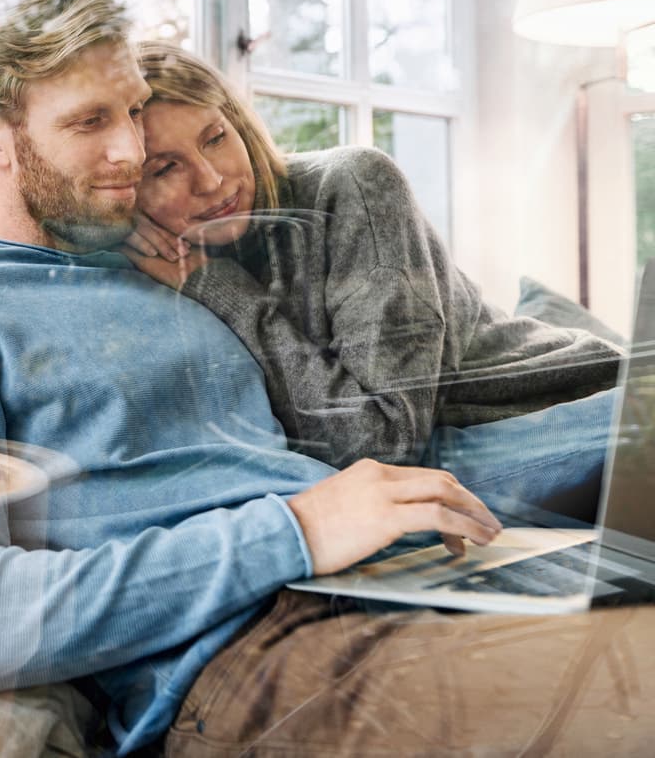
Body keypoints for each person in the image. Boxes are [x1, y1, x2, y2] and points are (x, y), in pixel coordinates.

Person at [0, 0, 655, 756]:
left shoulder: (171, 264)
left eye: (134, 111)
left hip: (410, 578)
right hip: (253, 655)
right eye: (89, 122)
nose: (130, 150)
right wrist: (296, 529)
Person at [121, 42, 622, 471]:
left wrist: (217, 287)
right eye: (165, 168)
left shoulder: (352, 185)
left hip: (583, 400)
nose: (211, 179)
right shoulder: (147, 267)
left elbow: (384, 443)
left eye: (216, 138)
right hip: (478, 447)